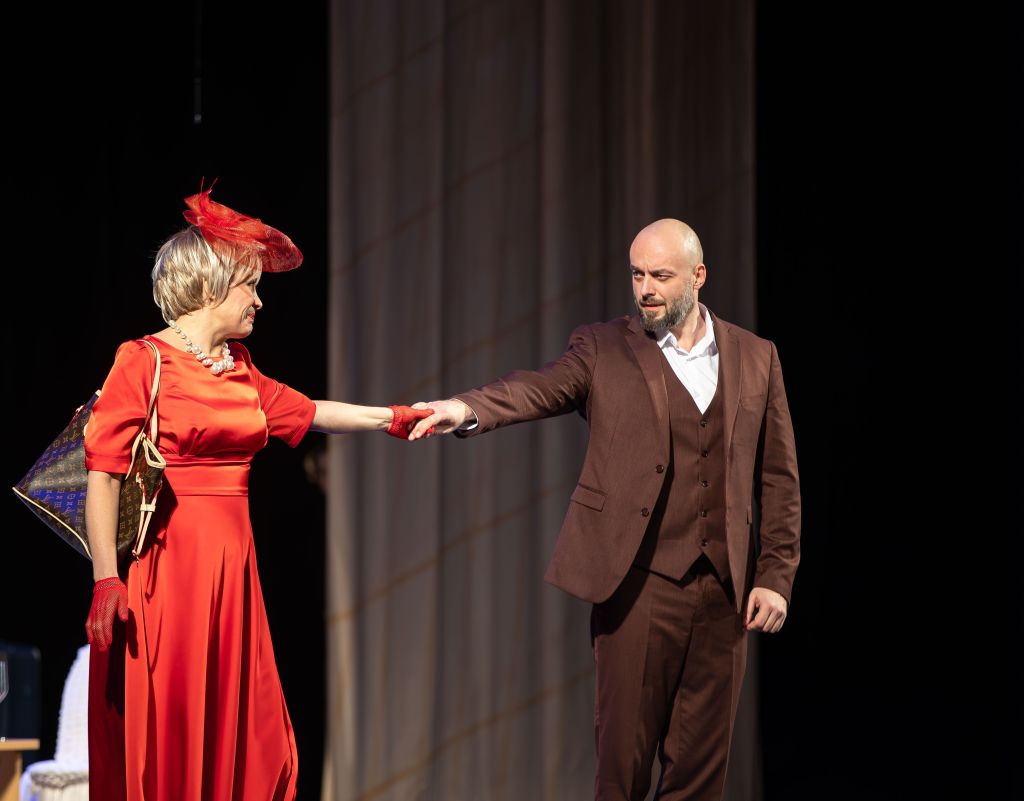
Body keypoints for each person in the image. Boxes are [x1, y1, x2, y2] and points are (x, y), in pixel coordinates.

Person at [408, 218, 799, 801]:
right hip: (637, 584)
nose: (646, 289)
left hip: (725, 590)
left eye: (660, 276)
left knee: (700, 776)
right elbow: (537, 388)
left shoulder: (757, 356)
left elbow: (779, 476)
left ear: (698, 276)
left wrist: (775, 575)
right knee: (622, 771)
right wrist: (466, 408)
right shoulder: (604, 346)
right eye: (637, 275)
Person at [83, 185, 431, 801]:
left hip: (233, 575)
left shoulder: (240, 368)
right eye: (249, 286)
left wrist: (394, 417)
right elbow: (103, 473)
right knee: (175, 719)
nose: (259, 300)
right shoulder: (143, 360)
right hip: (170, 574)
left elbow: (312, 411)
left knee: (246, 730)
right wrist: (106, 578)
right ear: (212, 285)